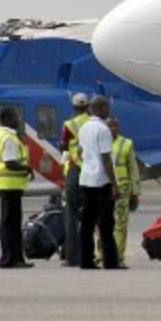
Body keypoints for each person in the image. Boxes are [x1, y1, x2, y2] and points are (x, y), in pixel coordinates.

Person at [77, 96, 121, 270]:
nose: (108, 112)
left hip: (86, 178)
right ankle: (110, 261)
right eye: (107, 108)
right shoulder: (102, 130)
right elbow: (106, 158)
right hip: (101, 180)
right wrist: (114, 184)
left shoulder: (84, 128)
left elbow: (82, 153)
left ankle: (86, 260)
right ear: (101, 108)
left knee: (87, 223)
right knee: (106, 223)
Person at [0, 106, 34, 269]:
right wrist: (27, 168)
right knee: (11, 224)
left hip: (7, 185)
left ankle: (14, 257)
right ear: (7, 119)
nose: (18, 120)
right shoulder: (9, 138)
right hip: (10, 185)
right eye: (15, 117)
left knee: (9, 223)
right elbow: (10, 162)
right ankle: (10, 259)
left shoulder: (0, 135)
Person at [99, 117, 140, 268]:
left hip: (123, 189)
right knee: (102, 223)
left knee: (120, 224)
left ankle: (118, 256)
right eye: (110, 126)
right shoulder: (99, 142)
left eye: (115, 126)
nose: (113, 129)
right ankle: (101, 254)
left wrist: (135, 192)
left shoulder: (126, 144)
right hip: (104, 188)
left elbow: (133, 169)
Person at [58, 92, 90, 267]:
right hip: (92, 172)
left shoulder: (70, 124)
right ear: (88, 106)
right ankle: (89, 252)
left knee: (71, 215)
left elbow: (63, 145)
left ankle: (71, 256)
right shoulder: (94, 122)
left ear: (74, 106)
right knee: (90, 215)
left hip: (75, 170)